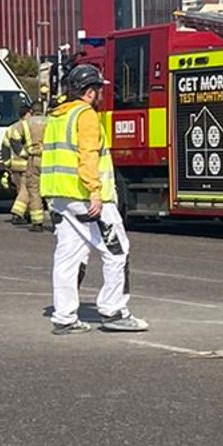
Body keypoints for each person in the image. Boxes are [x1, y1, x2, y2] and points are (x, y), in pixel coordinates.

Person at [40, 64, 147, 335]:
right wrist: (95, 191)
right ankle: (114, 311)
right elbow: (87, 155)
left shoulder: (57, 115)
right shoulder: (85, 115)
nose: (101, 94)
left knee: (68, 256)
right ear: (89, 92)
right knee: (116, 250)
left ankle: (64, 316)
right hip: (85, 197)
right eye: (99, 89)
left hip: (61, 197)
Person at [4, 98, 48, 231]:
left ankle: (37, 223)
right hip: (49, 159)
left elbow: (14, 138)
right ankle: (58, 218)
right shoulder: (51, 122)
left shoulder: (24, 124)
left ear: (32, 111)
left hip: (33, 159)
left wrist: (25, 152)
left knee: (33, 190)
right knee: (51, 191)